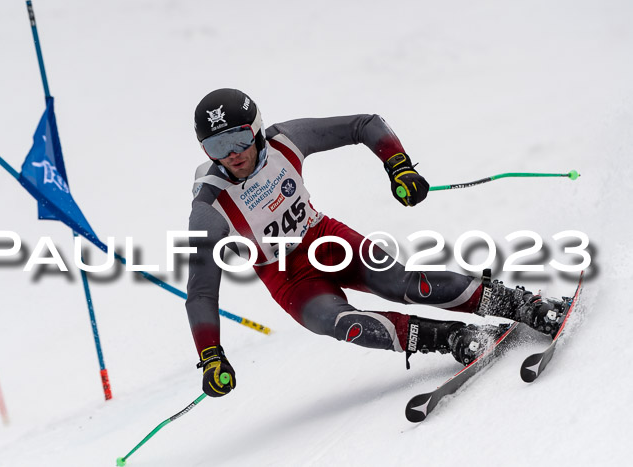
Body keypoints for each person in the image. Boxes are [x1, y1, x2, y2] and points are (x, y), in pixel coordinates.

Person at [186, 88, 565, 397]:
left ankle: (522, 304)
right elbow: (201, 292)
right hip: (286, 275)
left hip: (324, 238)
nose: (232, 154)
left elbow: (364, 125)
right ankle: (454, 338)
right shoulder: (209, 206)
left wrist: (398, 166)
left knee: (404, 284)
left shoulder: (286, 141)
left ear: (256, 130)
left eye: (238, 138)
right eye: (217, 147)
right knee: (341, 323)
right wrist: (211, 355)